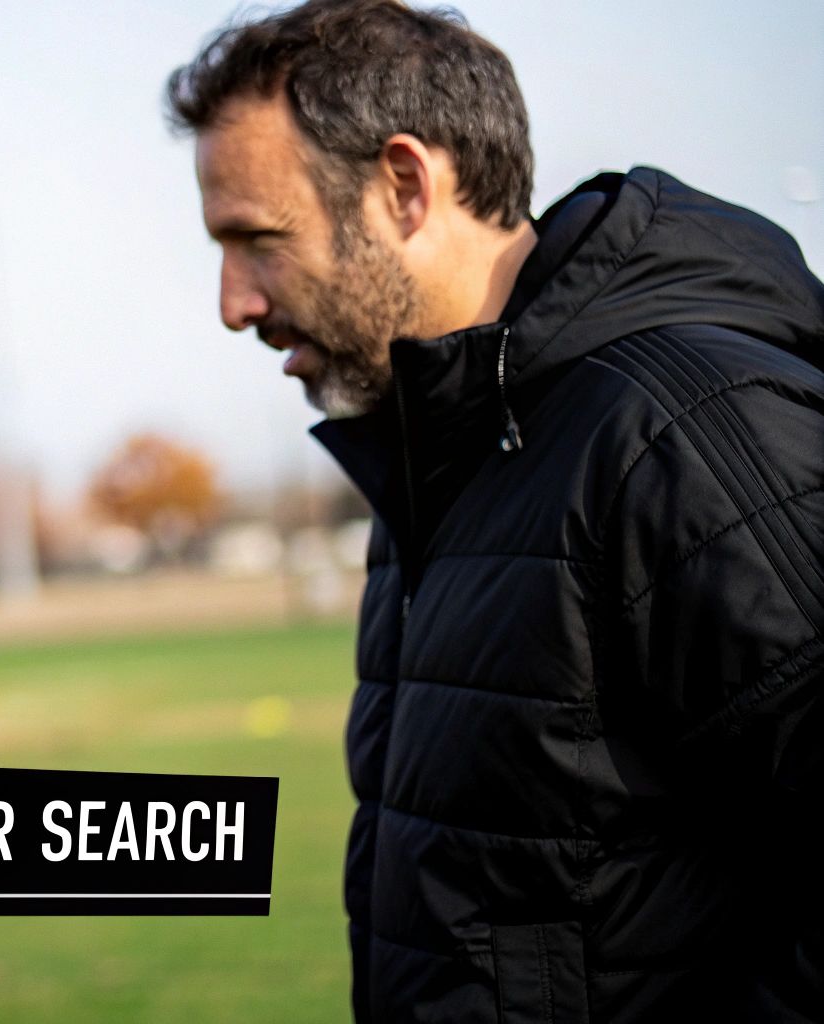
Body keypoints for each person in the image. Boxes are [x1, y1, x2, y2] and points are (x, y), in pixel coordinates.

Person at [165, 2, 823, 1020]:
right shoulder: (439, 461)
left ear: (401, 186)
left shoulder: (679, 426)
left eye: (258, 239)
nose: (231, 302)